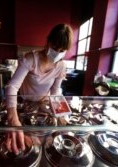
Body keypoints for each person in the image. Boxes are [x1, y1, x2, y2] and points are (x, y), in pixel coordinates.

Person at [5, 23, 73, 154]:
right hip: (26, 104)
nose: (57, 53)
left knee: (48, 141)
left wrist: (60, 115)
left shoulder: (61, 66)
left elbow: (54, 93)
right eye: (55, 47)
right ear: (48, 42)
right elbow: (12, 86)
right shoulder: (30, 59)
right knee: (29, 143)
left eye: (62, 50)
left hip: (44, 104)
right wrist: (12, 118)